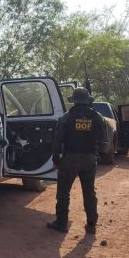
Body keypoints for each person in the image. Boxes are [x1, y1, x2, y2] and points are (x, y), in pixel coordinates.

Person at [47, 87, 108, 235]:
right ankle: (91, 225)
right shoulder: (98, 116)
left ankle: (61, 223)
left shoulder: (67, 117)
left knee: (63, 192)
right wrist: (95, 154)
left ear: (74, 100)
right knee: (89, 192)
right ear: (88, 100)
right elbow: (104, 140)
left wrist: (56, 159)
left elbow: (57, 141)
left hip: (70, 159)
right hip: (89, 159)